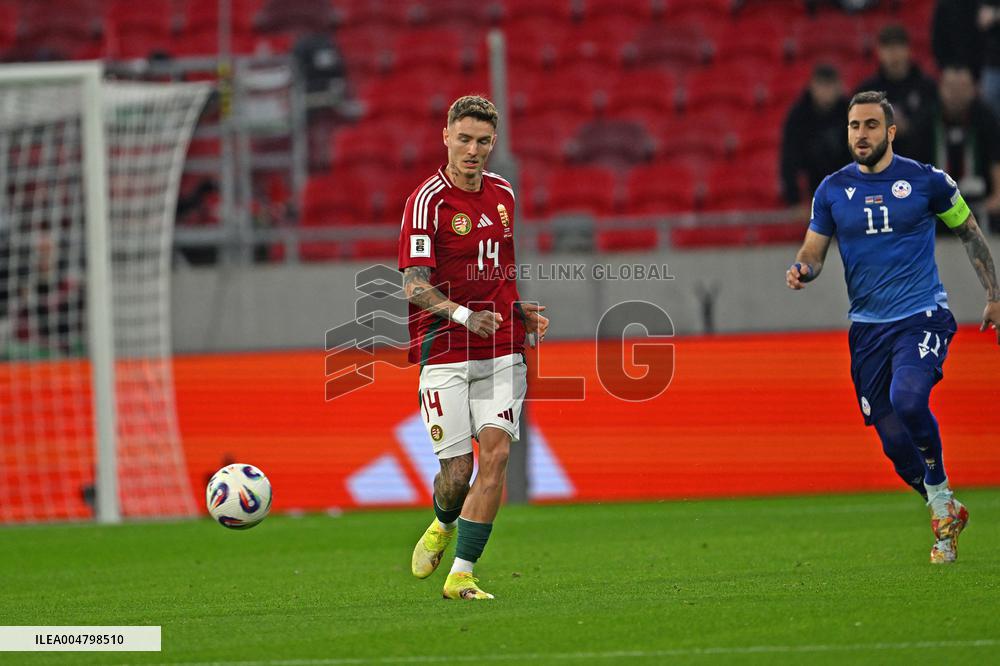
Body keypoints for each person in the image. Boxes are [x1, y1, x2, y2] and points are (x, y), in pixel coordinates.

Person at [786, 91, 1000, 564]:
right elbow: (813, 251)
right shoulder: (832, 190)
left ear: (890, 132)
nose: (860, 135)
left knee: (908, 399)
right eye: (853, 127)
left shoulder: (927, 182)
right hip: (867, 330)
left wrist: (994, 295)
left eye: (869, 126)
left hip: (921, 315)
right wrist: (802, 269)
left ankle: (941, 500)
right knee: (892, 441)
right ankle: (942, 507)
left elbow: (968, 231)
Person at [397, 95, 549, 600]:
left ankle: (461, 572)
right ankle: (443, 522)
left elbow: (497, 271)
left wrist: (517, 308)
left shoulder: (504, 194)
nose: (472, 150)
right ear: (446, 137)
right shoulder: (427, 201)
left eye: (483, 141)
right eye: (463, 139)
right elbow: (415, 286)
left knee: (497, 455)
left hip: (502, 346)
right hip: (443, 351)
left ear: (493, 144)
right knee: (457, 473)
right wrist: (465, 316)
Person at [919, 66, 1000, 231]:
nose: (956, 94)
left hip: (979, 198)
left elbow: (996, 160)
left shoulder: (986, 118)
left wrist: (998, 195)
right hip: (936, 200)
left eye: (962, 88)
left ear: (973, 90)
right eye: (950, 88)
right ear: (940, 89)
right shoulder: (926, 121)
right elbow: (914, 166)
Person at [855, 25, 939, 165]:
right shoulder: (867, 91)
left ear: (908, 51)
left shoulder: (927, 88)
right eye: (888, 48)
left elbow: (935, 125)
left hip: (922, 164)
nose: (894, 54)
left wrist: (909, 126)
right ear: (879, 52)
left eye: (898, 47)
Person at [781, 63, 851, 208]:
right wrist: (794, 200)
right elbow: (789, 159)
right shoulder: (799, 116)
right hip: (813, 184)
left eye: (830, 85)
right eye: (821, 85)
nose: (826, 91)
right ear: (812, 86)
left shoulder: (851, 113)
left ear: (839, 87)